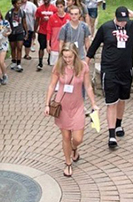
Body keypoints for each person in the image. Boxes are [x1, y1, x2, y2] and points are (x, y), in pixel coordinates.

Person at [45, 43, 98, 177]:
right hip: (62, 106)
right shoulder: (59, 66)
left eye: (70, 57)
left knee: (78, 138)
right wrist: (47, 104)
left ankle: (74, 148)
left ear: (75, 54)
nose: (67, 59)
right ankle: (68, 163)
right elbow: (52, 86)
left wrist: (93, 104)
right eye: (65, 57)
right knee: (66, 136)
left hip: (78, 106)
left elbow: (88, 87)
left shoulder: (83, 66)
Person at [86, 6, 133, 149]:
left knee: (122, 99)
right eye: (120, 21)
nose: (122, 24)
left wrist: (132, 14)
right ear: (115, 17)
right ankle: (111, 134)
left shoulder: (131, 26)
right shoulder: (106, 27)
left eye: (125, 21)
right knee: (111, 101)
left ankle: (119, 124)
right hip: (110, 70)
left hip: (126, 69)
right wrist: (86, 62)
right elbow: (94, 45)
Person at [35, 0, 58, 70]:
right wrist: (35, 30)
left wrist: (50, 19)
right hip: (42, 31)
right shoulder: (39, 9)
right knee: (41, 47)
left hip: (51, 31)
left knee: (51, 46)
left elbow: (57, 19)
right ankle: (40, 62)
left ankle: (49, 59)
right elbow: (37, 20)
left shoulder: (54, 9)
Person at [6, 0, 28, 72]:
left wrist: (26, 32)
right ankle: (13, 60)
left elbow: (24, 23)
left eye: (20, 3)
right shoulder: (9, 13)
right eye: (17, 3)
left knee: (19, 47)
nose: (19, 5)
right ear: (14, 4)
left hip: (20, 32)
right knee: (13, 47)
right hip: (12, 32)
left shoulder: (22, 12)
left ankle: (19, 62)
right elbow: (6, 23)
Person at [46, 0, 71, 65]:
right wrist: (48, 45)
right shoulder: (52, 18)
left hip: (66, 46)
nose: (59, 9)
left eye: (61, 7)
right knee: (55, 66)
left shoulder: (69, 17)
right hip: (55, 46)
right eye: (58, 7)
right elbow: (49, 32)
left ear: (64, 7)